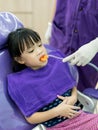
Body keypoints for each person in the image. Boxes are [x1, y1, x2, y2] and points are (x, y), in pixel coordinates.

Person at [7, 28, 98, 130]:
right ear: (20, 59)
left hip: (82, 118)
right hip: (59, 127)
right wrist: (58, 111)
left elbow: (71, 86)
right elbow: (31, 118)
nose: (39, 51)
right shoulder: (22, 83)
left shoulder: (56, 63)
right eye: (31, 51)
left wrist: (73, 97)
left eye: (40, 45)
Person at [45, 0, 98, 92]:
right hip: (62, 33)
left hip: (90, 41)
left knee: (81, 93)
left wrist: (95, 45)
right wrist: (51, 24)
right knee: (52, 85)